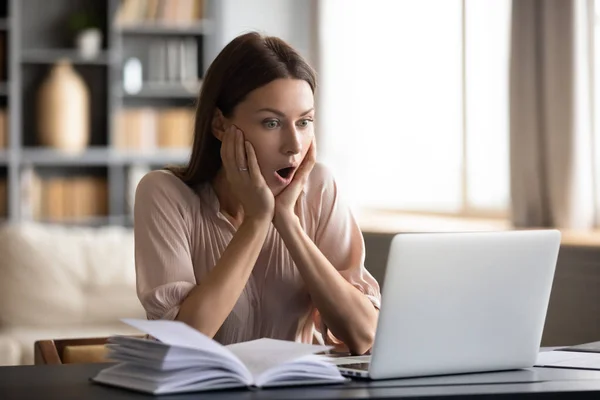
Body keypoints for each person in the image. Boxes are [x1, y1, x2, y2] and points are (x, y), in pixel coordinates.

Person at [133, 31, 381, 355]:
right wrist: (257, 219)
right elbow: (182, 342)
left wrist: (287, 223)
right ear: (220, 125)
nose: (294, 146)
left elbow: (364, 335)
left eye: (304, 122)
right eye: (272, 124)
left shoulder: (319, 188)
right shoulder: (164, 194)